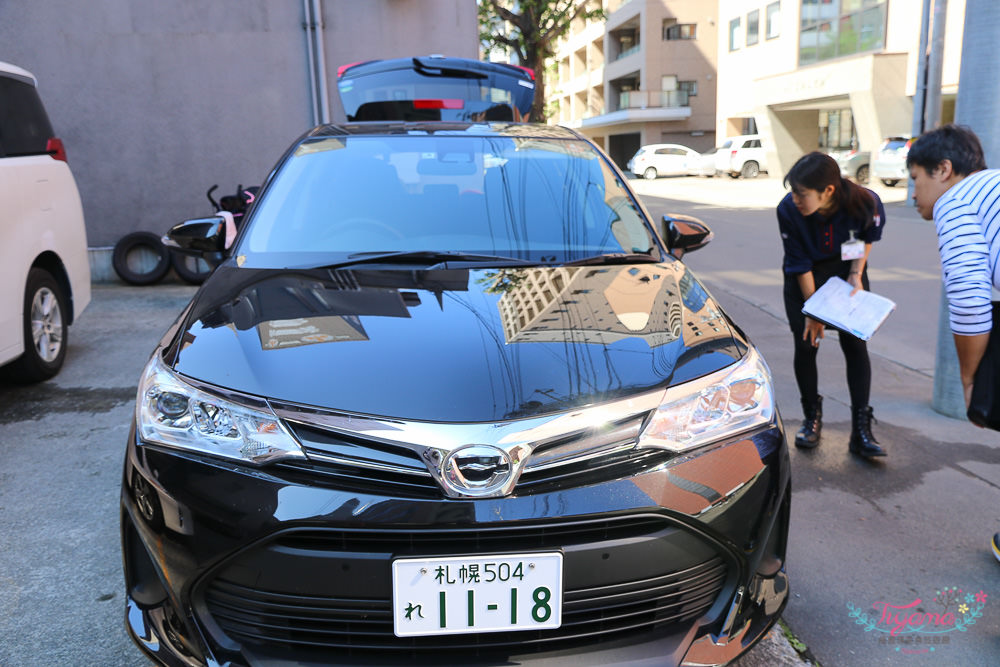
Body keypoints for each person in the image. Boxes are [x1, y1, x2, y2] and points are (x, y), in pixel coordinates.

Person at [905, 124, 1000, 563]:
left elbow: (968, 295)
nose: (913, 194)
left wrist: (968, 377)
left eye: (916, 180)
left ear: (943, 170)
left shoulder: (956, 200)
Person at [777, 152, 888, 458]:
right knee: (807, 345)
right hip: (804, 280)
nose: (796, 199)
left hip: (846, 277)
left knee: (856, 346)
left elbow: (865, 237)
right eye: (794, 192)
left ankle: (861, 430)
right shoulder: (788, 209)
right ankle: (811, 418)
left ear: (828, 191)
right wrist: (814, 311)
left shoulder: (865, 201)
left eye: (802, 194)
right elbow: (799, 264)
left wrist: (856, 273)